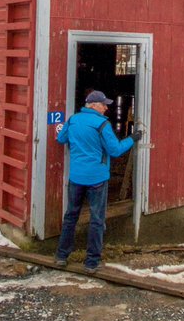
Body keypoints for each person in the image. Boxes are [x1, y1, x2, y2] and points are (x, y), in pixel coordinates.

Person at [55, 89, 142, 273]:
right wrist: (132, 139)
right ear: (94, 105)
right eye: (103, 105)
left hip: (76, 177)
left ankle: (61, 256)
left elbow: (61, 139)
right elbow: (115, 150)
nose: (106, 108)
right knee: (97, 220)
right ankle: (91, 262)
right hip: (97, 179)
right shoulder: (102, 125)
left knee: (71, 216)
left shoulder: (73, 120)